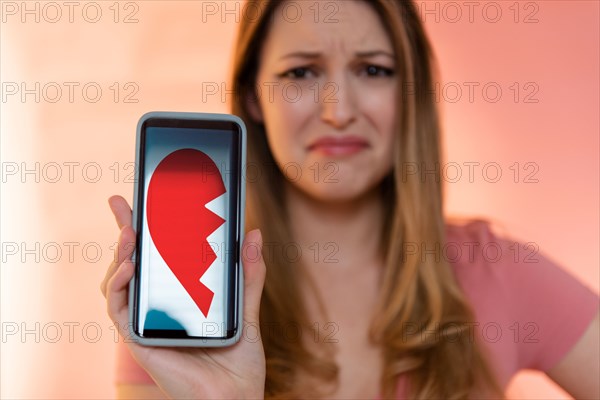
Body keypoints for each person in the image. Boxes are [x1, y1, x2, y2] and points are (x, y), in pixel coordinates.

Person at [101, 0, 600, 398]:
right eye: (301, 73)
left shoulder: (497, 271)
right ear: (253, 96)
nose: (338, 111)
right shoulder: (185, 306)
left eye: (373, 70)